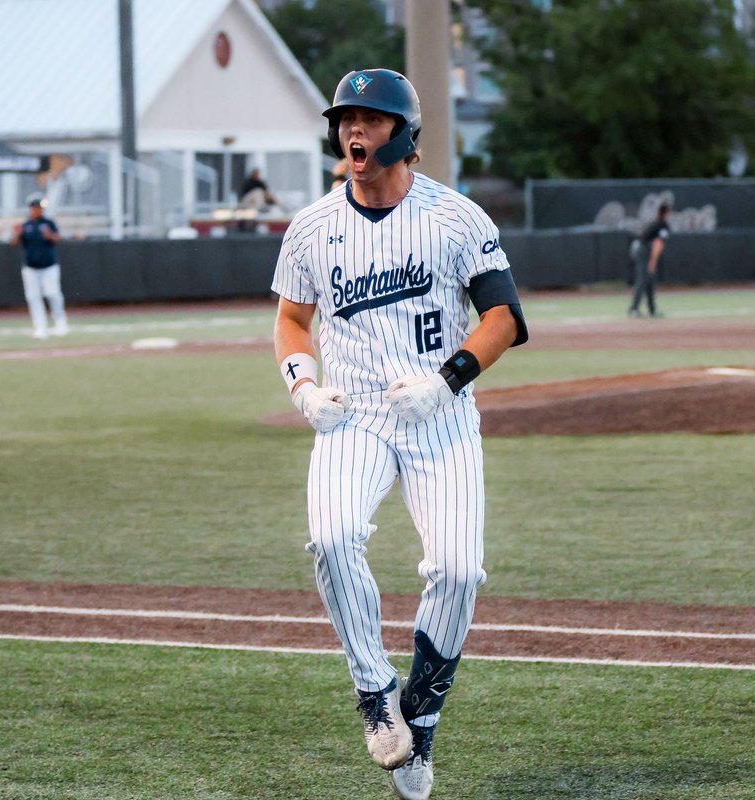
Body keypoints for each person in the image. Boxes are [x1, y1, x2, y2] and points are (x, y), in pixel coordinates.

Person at [272, 68, 528, 800]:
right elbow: (293, 317)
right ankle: (377, 693)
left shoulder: (457, 218)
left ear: (405, 134)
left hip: (438, 410)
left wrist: (448, 378)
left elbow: (503, 318)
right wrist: (302, 383)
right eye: (347, 118)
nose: (355, 130)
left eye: (372, 119)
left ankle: (424, 715)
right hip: (353, 413)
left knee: (458, 570)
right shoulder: (313, 226)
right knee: (331, 536)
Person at [10, 193, 68, 339]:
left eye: (40, 207)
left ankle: (61, 323)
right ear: (30, 208)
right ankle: (40, 327)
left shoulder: (49, 223)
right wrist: (16, 234)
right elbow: (14, 244)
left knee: (53, 294)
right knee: (33, 297)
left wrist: (50, 236)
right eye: (35, 207)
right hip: (30, 268)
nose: (38, 210)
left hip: (49, 266)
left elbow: (58, 239)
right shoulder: (25, 225)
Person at [627, 202, 670, 318]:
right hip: (643, 250)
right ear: (666, 213)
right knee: (642, 279)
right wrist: (653, 261)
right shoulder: (662, 225)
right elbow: (658, 244)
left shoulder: (657, 223)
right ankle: (634, 309)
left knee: (650, 279)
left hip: (640, 248)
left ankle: (652, 309)